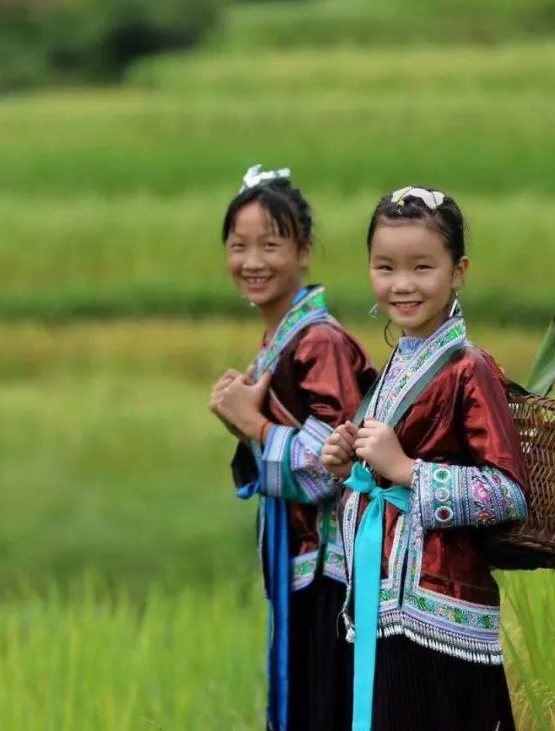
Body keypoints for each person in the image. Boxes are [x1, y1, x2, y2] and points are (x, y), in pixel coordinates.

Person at [322, 186, 530, 731]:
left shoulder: (470, 368)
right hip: (385, 602)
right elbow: (385, 470)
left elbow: (508, 492)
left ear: (458, 271)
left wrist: (406, 469)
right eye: (385, 267)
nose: (403, 284)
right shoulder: (399, 362)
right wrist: (353, 468)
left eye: (422, 266)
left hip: (439, 614)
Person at [209, 164, 376, 731]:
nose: (252, 262)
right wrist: (246, 424)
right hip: (303, 564)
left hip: (333, 572)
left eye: (270, 245)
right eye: (239, 246)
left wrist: (254, 428)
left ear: (303, 251)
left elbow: (335, 463)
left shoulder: (319, 342)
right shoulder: (280, 344)